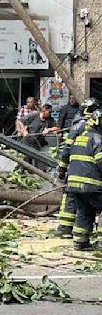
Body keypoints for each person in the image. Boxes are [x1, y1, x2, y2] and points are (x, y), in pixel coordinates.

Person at [56, 98, 101, 238]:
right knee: (78, 202)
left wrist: (62, 169)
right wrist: (62, 169)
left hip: (76, 168)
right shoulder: (86, 127)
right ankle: (68, 229)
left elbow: (67, 150)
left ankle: (66, 229)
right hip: (87, 171)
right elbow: (68, 149)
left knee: (75, 200)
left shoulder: (78, 124)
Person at [65, 110, 102, 250]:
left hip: (74, 184)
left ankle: (80, 242)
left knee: (84, 211)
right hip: (92, 185)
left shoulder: (79, 137)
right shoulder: (98, 139)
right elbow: (101, 161)